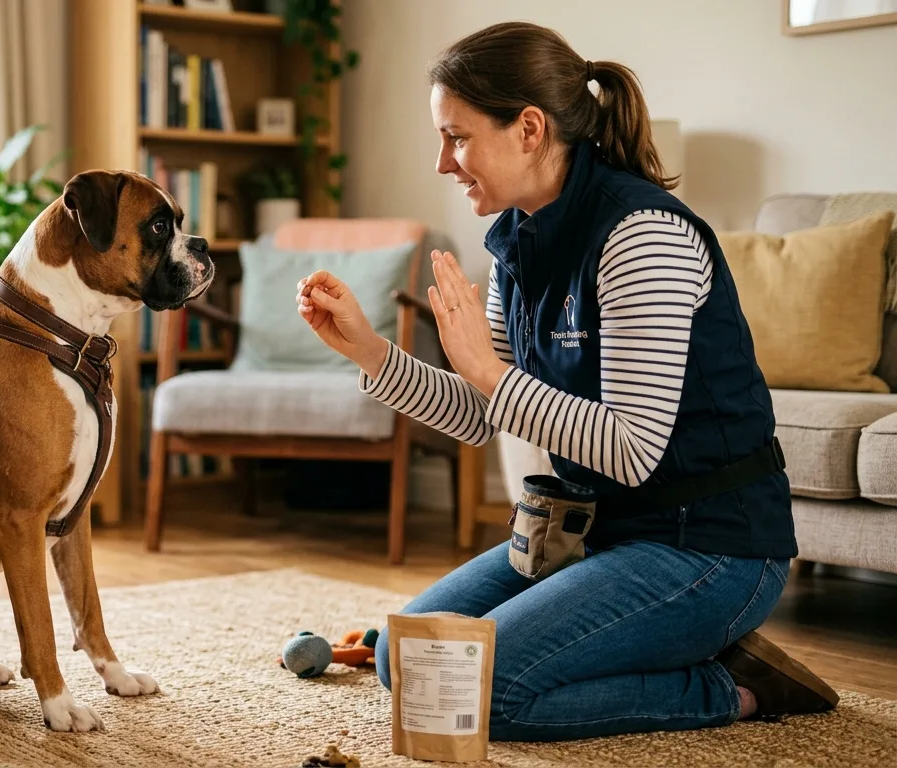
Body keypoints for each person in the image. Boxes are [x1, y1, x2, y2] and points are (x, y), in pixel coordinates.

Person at [295, 21, 839, 742]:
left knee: (490, 694)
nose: (442, 163)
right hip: (594, 533)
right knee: (410, 658)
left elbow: (632, 449)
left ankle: (732, 684)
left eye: (457, 137)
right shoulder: (519, 239)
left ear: (527, 129)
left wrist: (488, 370)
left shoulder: (641, 236)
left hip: (711, 548)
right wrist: (369, 353)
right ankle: (640, 641)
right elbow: (479, 416)